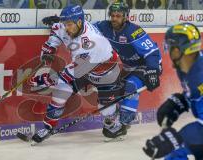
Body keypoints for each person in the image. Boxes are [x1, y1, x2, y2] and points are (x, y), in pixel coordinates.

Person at [42, 2, 162, 139]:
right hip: (127, 66)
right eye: (112, 15)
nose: (114, 18)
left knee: (130, 86)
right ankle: (116, 118)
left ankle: (123, 124)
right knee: (115, 91)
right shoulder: (104, 26)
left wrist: (153, 70)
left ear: (126, 17)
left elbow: (152, 52)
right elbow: (83, 26)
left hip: (147, 65)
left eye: (118, 16)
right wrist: (61, 22)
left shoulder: (134, 31)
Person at [30, 4, 135, 144]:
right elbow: (56, 31)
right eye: (65, 24)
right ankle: (48, 128)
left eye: (68, 24)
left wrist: (48, 79)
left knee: (105, 111)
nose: (66, 28)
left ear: (79, 22)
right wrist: (50, 48)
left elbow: (71, 73)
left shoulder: (92, 42)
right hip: (82, 68)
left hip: (105, 72)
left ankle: (114, 122)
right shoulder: (67, 25)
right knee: (61, 91)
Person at [143, 23, 203, 160]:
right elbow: (196, 93)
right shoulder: (185, 67)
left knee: (176, 149)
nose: (169, 51)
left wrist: (177, 138)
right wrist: (180, 102)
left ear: (177, 50)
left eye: (170, 47)